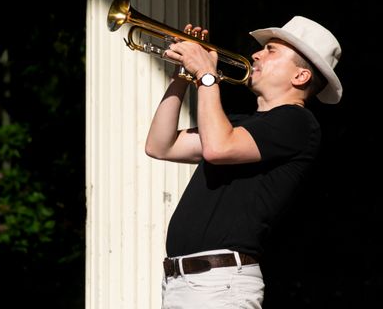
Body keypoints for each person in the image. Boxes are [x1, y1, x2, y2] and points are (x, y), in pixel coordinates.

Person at [145, 16, 342, 309]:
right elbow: (161, 145)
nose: (256, 54)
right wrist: (181, 76)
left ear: (300, 76)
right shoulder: (238, 124)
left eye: (272, 50)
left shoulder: (297, 123)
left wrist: (206, 76)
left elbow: (218, 148)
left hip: (220, 284)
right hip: (182, 282)